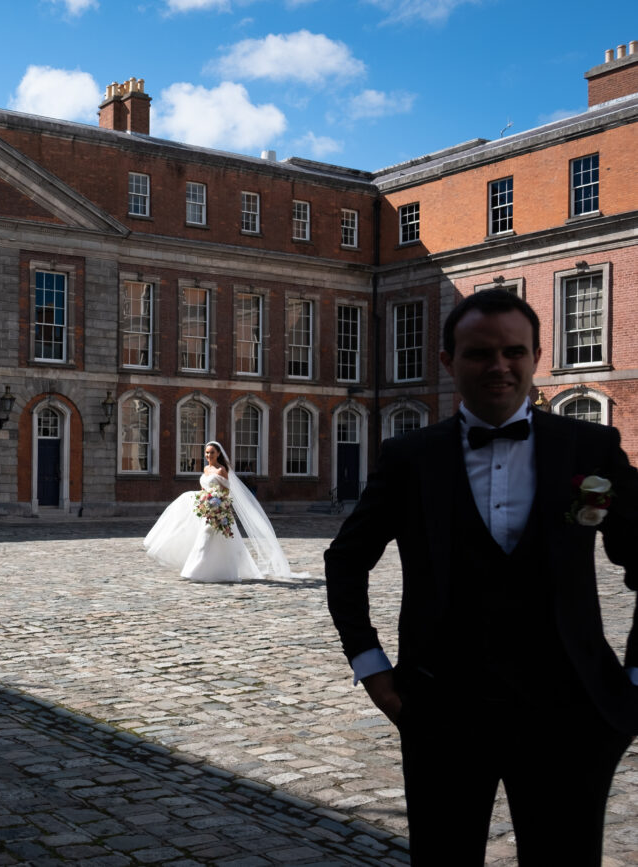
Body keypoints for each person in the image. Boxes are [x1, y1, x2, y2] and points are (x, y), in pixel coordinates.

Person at [324, 289, 638, 865]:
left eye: (514, 351)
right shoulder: (409, 457)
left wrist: (636, 676)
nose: (499, 366)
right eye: (479, 354)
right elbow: (346, 559)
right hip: (443, 705)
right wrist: (370, 665)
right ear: (448, 361)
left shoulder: (589, 448)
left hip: (568, 708)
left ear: (536, 355)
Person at [144, 441, 302, 581]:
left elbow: (226, 492)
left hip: (218, 509)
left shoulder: (221, 471)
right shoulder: (206, 469)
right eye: (206, 452)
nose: (208, 455)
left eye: (212, 452)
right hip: (206, 508)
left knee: (205, 538)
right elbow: (203, 489)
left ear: (218, 453)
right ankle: (211, 569)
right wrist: (203, 502)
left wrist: (217, 505)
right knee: (213, 541)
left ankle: (194, 571)